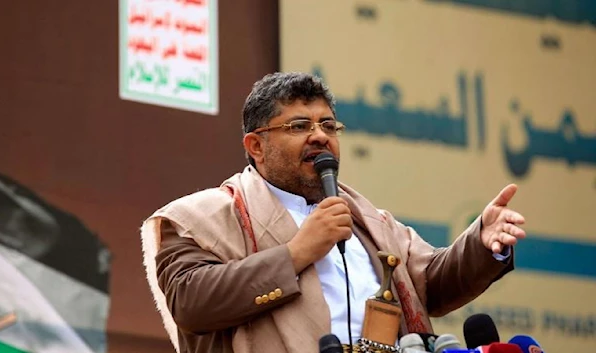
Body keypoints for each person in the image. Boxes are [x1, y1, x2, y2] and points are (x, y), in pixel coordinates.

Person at [140, 72, 526, 353]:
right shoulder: (201, 218)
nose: (320, 135)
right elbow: (190, 303)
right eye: (299, 125)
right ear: (256, 146)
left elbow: (432, 285)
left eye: (328, 124)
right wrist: (296, 253)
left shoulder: (369, 221)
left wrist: (481, 244)